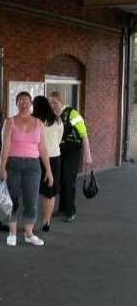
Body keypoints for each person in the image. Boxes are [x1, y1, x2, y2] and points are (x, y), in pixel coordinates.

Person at [0, 91, 53, 246]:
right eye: (21, 100)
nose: (24, 103)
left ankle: (29, 234)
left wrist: (49, 170)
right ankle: (12, 232)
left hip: (33, 166)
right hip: (13, 164)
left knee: (31, 200)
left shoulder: (39, 123)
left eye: (27, 100)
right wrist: (1, 167)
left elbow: (43, 149)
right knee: (12, 200)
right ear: (16, 103)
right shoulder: (10, 122)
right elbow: (5, 146)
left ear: (31, 104)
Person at [48, 91, 93, 222]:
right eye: (50, 103)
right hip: (59, 151)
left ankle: (70, 211)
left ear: (61, 102)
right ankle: (62, 208)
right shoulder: (54, 116)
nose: (52, 105)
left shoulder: (72, 114)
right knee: (61, 181)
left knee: (68, 181)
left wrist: (87, 154)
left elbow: (84, 134)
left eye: (55, 103)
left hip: (72, 152)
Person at [32, 95, 64, 232]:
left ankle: (31, 221)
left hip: (37, 157)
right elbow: (59, 138)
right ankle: (47, 220)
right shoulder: (57, 120)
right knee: (50, 192)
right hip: (54, 158)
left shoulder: (34, 121)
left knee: (32, 189)